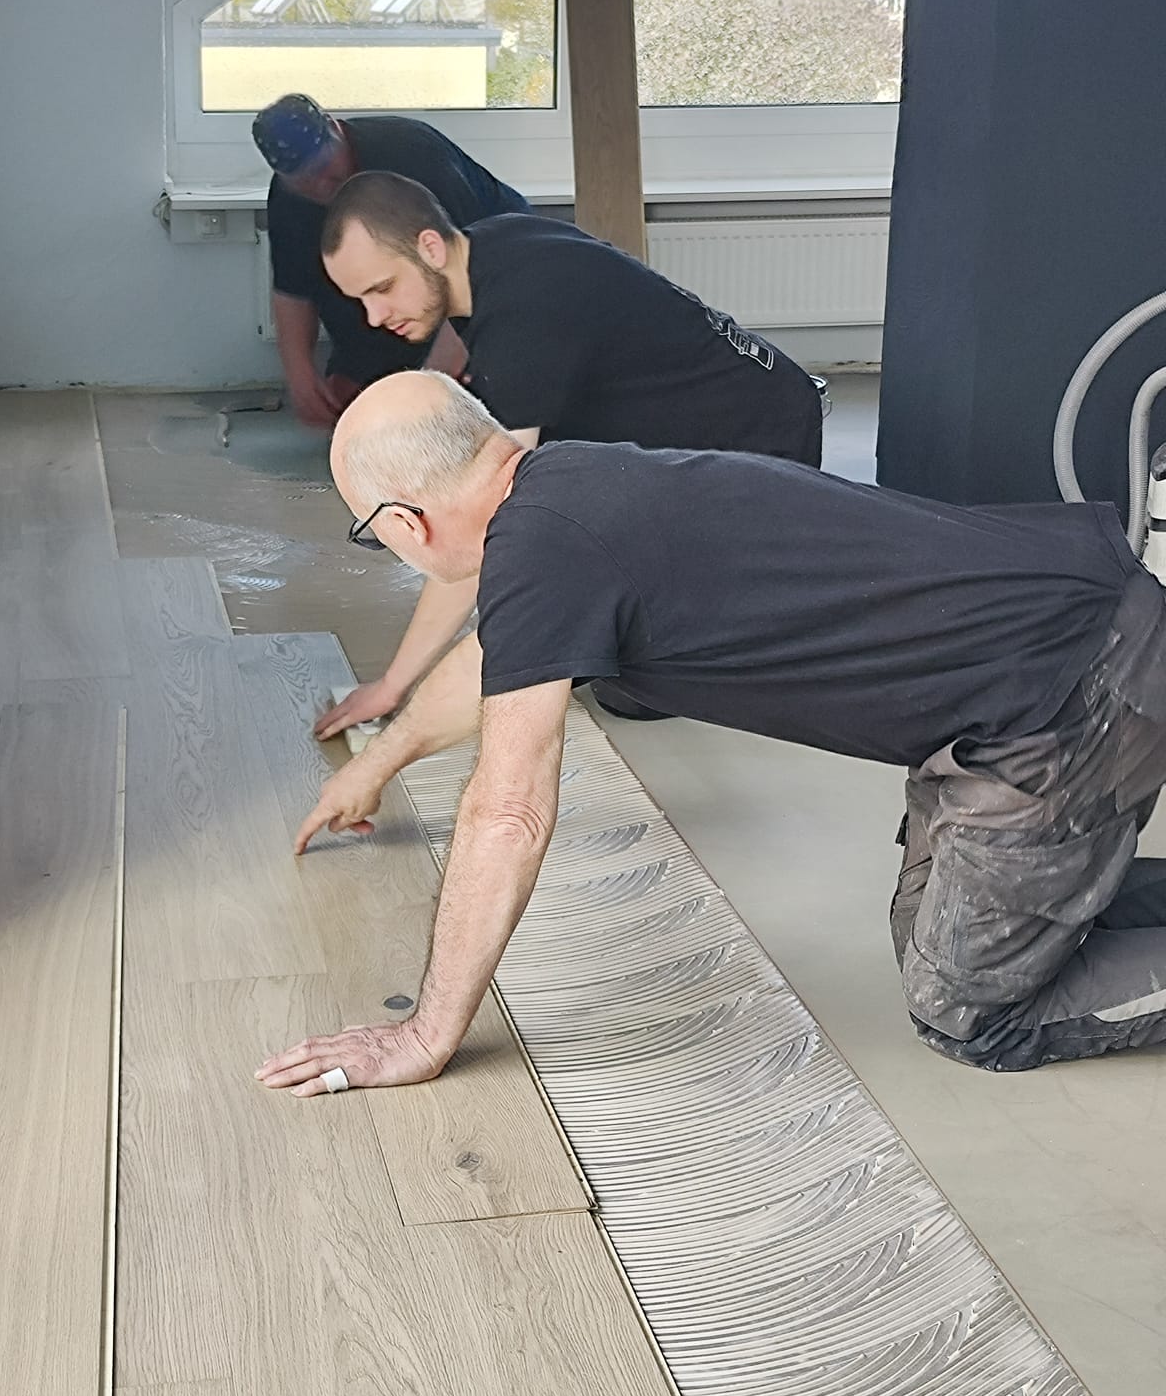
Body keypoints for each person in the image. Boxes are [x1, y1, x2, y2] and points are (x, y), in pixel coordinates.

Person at [255, 374, 1166, 1098]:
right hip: (1056, 637)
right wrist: (378, 762)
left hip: (1067, 694)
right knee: (933, 935)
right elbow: (497, 658)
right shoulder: (567, 487)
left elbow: (508, 815)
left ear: (404, 522)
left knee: (966, 1012)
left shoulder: (545, 549)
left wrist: (424, 1035)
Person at [312, 171, 827, 742]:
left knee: (634, 688)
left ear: (430, 246)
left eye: (382, 288)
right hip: (724, 410)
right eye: (360, 299)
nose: (374, 316)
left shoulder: (527, 318)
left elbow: (486, 525)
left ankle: (766, 600)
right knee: (580, 626)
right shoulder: (492, 246)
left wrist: (394, 686)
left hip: (760, 442)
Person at [252, 93, 530, 429]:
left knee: (464, 412)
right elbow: (292, 289)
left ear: (336, 130)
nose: (321, 186)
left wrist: (429, 390)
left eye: (324, 169)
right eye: (304, 182)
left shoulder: (413, 154)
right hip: (411, 296)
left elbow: (473, 274)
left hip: (497, 278)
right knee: (356, 412)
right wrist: (301, 377)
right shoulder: (288, 198)